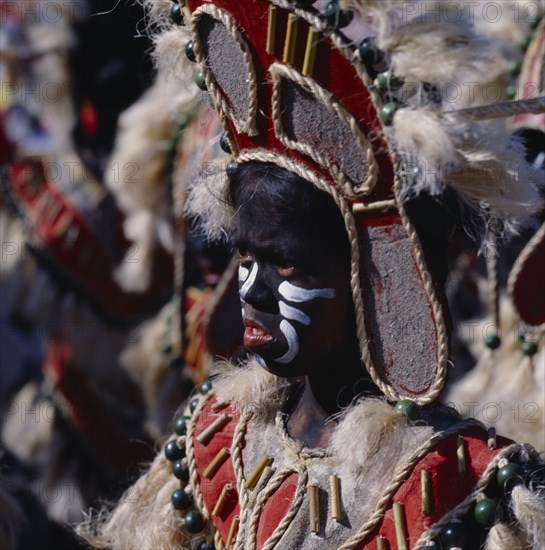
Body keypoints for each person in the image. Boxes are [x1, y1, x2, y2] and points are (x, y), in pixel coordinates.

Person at [79, 1, 545, 549]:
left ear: (380, 279)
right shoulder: (215, 433)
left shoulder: (470, 491)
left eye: (285, 263)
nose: (250, 289)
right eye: (246, 257)